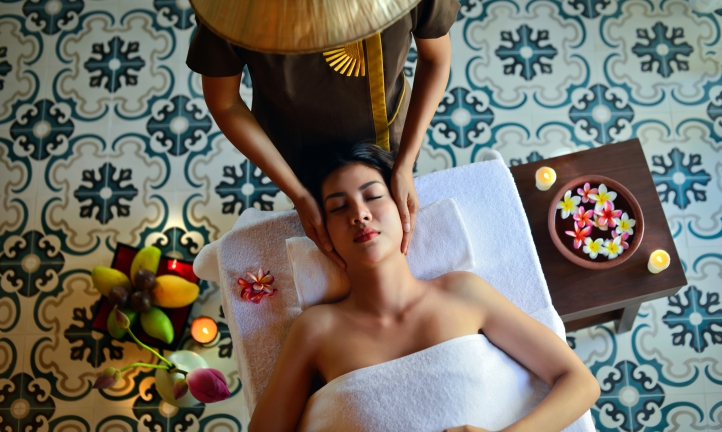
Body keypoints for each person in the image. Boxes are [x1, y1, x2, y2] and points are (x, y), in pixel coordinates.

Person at [248, 143, 601, 431]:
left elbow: (578, 381)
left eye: (373, 197)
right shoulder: (316, 329)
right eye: (339, 208)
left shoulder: (462, 292)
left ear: (404, 208)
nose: (359, 214)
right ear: (322, 233)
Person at [187, 0, 460, 268]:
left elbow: (436, 59)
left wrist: (404, 164)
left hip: (389, 135)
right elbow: (225, 103)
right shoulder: (232, 7)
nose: (362, 217)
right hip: (300, 154)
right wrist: (298, 194)